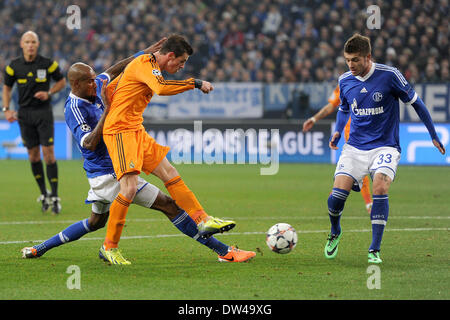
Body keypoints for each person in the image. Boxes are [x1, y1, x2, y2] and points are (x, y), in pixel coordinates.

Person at [21, 41, 255, 264]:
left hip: (114, 165)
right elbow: (89, 144)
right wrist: (109, 112)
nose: (97, 84)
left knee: (95, 222)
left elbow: (113, 70)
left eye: (95, 79)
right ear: (76, 85)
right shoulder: (74, 109)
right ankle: (223, 251)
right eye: (90, 82)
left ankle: (38, 248)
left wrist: (143, 54)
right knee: (169, 206)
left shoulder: (97, 85)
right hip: (106, 173)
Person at [100, 34, 237, 264]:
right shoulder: (145, 64)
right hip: (120, 131)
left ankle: (202, 219)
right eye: (181, 62)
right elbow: (161, 89)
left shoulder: (147, 67)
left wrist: (116, 102)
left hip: (135, 129)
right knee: (130, 188)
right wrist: (194, 83)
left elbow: (111, 89)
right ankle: (109, 247)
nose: (182, 67)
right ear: (170, 55)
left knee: (170, 173)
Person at [325, 34, 445, 264]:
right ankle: (335, 230)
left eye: (356, 60)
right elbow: (343, 109)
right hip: (355, 147)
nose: (351, 65)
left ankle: (374, 249)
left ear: (368, 57)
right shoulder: (345, 80)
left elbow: (417, 104)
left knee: (380, 186)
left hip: (385, 145)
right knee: (336, 198)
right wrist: (338, 130)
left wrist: (433, 135)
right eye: (347, 60)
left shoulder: (390, 76)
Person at [2, 31, 66, 214]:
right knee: (33, 156)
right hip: (24, 114)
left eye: (33, 42)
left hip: (43, 113)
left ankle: (54, 195)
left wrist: (50, 93)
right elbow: (6, 88)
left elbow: (62, 81)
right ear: (22, 44)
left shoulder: (48, 64)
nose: (30, 45)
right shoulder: (13, 66)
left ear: (37, 45)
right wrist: (6, 110)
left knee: (49, 155)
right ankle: (43, 193)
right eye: (27, 42)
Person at [302, 85, 373, 213]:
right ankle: (369, 204)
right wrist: (314, 119)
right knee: (358, 172)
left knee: (358, 173)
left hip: (373, 134)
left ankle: (337, 201)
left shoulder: (377, 81)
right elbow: (331, 105)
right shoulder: (345, 84)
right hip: (353, 138)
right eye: (350, 63)